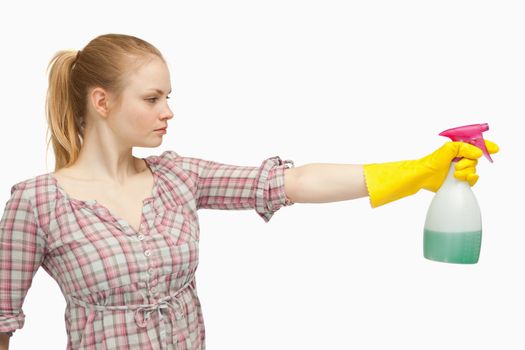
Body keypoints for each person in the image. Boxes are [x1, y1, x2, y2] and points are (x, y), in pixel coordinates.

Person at [0, 33, 498, 350]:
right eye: (152, 98)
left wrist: (414, 172)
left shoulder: (178, 176)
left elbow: (294, 182)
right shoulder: (36, 202)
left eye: (168, 97)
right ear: (101, 101)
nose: (168, 111)